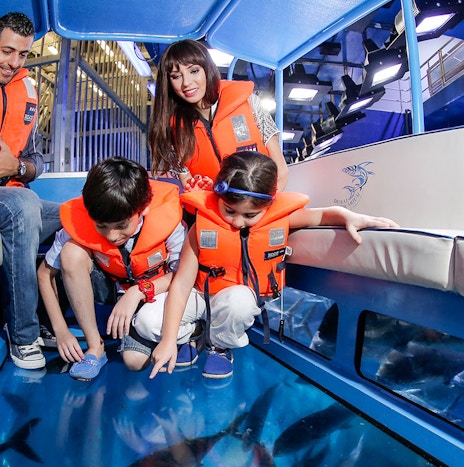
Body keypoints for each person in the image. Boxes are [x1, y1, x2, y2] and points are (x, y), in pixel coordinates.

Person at [137, 151, 399, 381]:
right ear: (218, 195)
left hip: (233, 301)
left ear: (270, 204)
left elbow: (322, 214)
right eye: (229, 211)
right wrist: (170, 339)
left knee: (238, 302)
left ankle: (218, 345)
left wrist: (349, 216)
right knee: (146, 323)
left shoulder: (280, 218)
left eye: (250, 215)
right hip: (199, 296)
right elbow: (181, 285)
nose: (238, 222)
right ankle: (192, 334)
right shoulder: (200, 227)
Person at [58, 156, 187, 380]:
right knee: (71, 251)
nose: (112, 235)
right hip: (112, 292)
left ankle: (190, 333)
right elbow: (44, 275)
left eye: (122, 225)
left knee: (134, 361)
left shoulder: (171, 224)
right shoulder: (86, 219)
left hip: (157, 294)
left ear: (144, 208)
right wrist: (61, 330)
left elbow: (184, 276)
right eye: (102, 226)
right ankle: (95, 348)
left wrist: (137, 292)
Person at [148, 39, 288, 197]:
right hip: (214, 214)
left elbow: (281, 170)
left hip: (262, 205)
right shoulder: (172, 132)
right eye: (176, 76)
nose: (186, 83)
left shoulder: (250, 102)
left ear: (207, 69)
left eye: (194, 71)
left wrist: (258, 210)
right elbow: (190, 187)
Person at [0, 12, 61, 369]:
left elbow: (37, 162)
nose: (13, 62)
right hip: (16, 201)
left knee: (78, 214)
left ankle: (71, 322)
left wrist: (17, 168)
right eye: (6, 51)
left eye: (21, 55)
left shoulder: (28, 92)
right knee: (23, 204)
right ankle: (23, 335)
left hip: (12, 195)